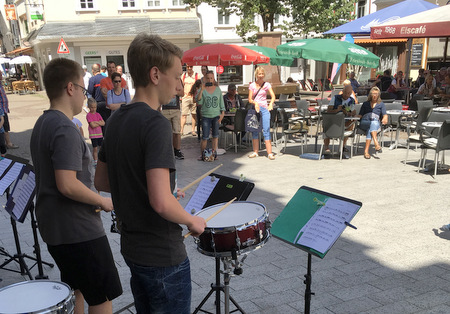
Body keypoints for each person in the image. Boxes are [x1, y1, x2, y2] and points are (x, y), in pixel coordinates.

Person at [94, 33, 206, 313]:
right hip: (162, 255)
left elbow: (102, 181)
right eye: (178, 76)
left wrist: (157, 192)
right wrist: (192, 221)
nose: (181, 86)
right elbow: (160, 202)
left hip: (133, 250)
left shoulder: (117, 118)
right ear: (155, 74)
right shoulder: (156, 124)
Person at [30, 58, 122, 313]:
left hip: (56, 228)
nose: (85, 95)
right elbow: (67, 184)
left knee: (76, 290)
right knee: (102, 297)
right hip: (78, 230)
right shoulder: (64, 128)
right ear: (70, 88)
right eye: (83, 89)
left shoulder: (42, 123)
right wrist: (102, 201)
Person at [247, 66, 276, 160]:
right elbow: (250, 99)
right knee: (255, 130)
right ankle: (255, 152)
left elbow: (273, 96)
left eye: (262, 74)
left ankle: (270, 153)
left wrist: (271, 104)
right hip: (255, 109)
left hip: (264, 108)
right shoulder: (252, 85)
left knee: (266, 129)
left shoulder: (267, 84)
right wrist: (255, 103)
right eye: (259, 74)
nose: (261, 76)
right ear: (256, 75)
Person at [197, 70, 225, 161]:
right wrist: (201, 90)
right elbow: (199, 101)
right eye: (208, 78)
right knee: (205, 136)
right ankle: (203, 155)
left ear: (214, 79)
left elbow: (221, 103)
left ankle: (213, 154)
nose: (209, 80)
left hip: (216, 115)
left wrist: (222, 114)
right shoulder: (203, 89)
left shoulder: (217, 89)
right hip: (206, 116)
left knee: (215, 136)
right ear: (205, 79)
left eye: (211, 78)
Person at [324, 84, 356, 153]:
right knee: (326, 123)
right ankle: (326, 146)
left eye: (348, 93)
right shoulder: (335, 98)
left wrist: (349, 113)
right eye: (345, 93)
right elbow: (328, 111)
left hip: (345, 120)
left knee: (352, 122)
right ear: (342, 92)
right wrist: (337, 110)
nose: (346, 95)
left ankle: (342, 146)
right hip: (334, 120)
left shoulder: (352, 100)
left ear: (350, 94)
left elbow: (353, 112)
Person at [358, 86, 388, 159]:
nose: (375, 95)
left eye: (376, 94)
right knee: (373, 124)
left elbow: (385, 114)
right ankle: (376, 143)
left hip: (374, 122)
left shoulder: (381, 104)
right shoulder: (365, 104)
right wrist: (355, 116)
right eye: (373, 93)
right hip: (365, 122)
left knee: (371, 127)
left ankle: (366, 151)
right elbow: (360, 115)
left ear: (379, 95)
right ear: (370, 94)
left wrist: (385, 118)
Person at [161, 87, 185, 160]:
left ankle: (177, 150)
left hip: (175, 109)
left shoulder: (177, 80)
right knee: (165, 132)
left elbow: (182, 93)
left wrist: (174, 91)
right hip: (164, 109)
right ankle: (167, 151)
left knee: (177, 131)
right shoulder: (162, 79)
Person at [0, 71, 18, 149]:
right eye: (0, 75)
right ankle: (8, 144)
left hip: (4, 109)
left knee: (5, 126)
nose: (2, 76)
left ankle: (6, 143)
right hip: (1, 110)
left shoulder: (0, 84)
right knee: (4, 127)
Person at [180, 65, 198, 136]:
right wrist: (182, 95)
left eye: (191, 66)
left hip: (193, 97)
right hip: (185, 97)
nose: (189, 68)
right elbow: (181, 85)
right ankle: (181, 130)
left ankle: (193, 130)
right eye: (188, 67)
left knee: (194, 114)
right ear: (186, 67)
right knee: (184, 115)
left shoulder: (196, 75)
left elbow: (198, 86)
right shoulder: (184, 75)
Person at [86, 98, 104, 164]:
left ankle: (101, 159)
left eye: (95, 107)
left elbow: (103, 123)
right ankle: (95, 161)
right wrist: (99, 122)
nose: (93, 109)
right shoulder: (88, 115)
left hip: (100, 134)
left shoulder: (98, 114)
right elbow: (92, 125)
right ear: (89, 107)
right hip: (93, 135)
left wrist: (95, 122)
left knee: (101, 147)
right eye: (92, 107)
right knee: (95, 148)